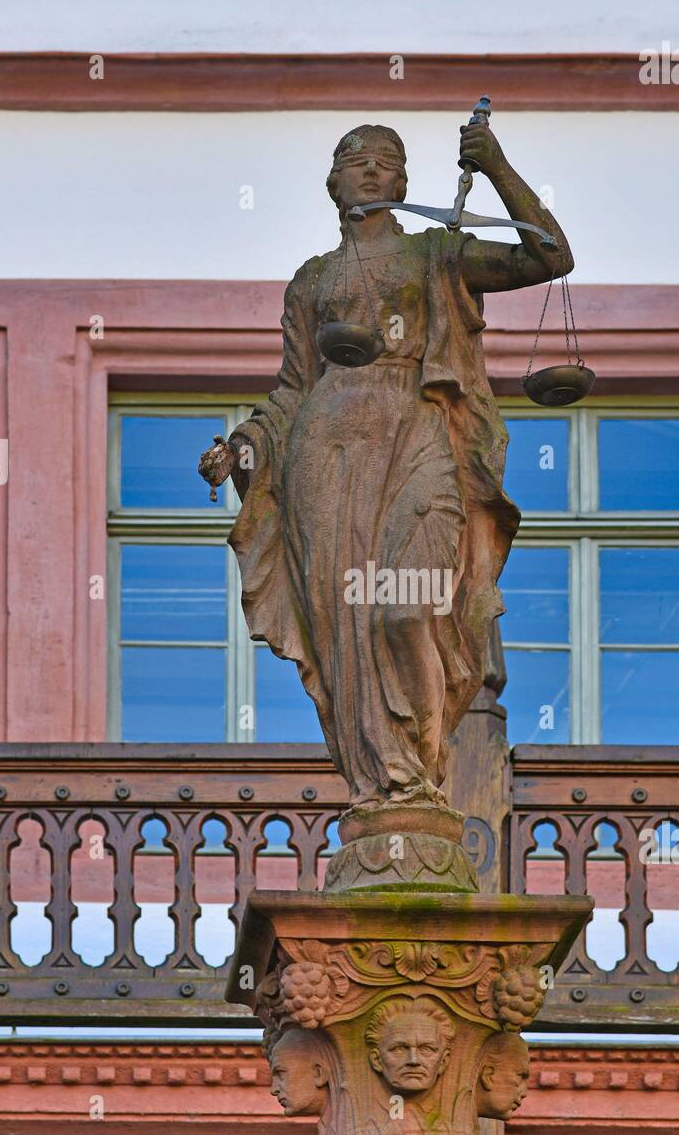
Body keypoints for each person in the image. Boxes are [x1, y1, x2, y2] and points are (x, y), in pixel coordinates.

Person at [199, 120, 573, 809]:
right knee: (345, 632)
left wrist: (496, 167)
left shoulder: (437, 252)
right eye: (356, 161)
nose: (371, 171)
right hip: (326, 452)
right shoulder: (310, 281)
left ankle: (421, 778)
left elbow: (550, 257)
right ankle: (379, 786)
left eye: (387, 163)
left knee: (406, 610)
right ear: (333, 182)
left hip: (417, 430)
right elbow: (290, 390)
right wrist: (246, 445)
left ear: (403, 186)